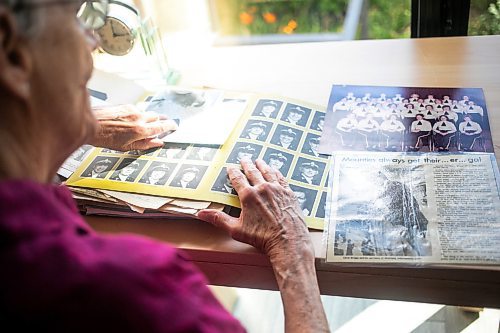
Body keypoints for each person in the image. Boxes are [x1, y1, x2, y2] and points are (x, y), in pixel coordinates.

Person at [0, 2, 329, 332]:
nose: (93, 41)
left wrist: (74, 122)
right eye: (76, 16)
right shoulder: (132, 284)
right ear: (14, 57)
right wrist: (293, 249)